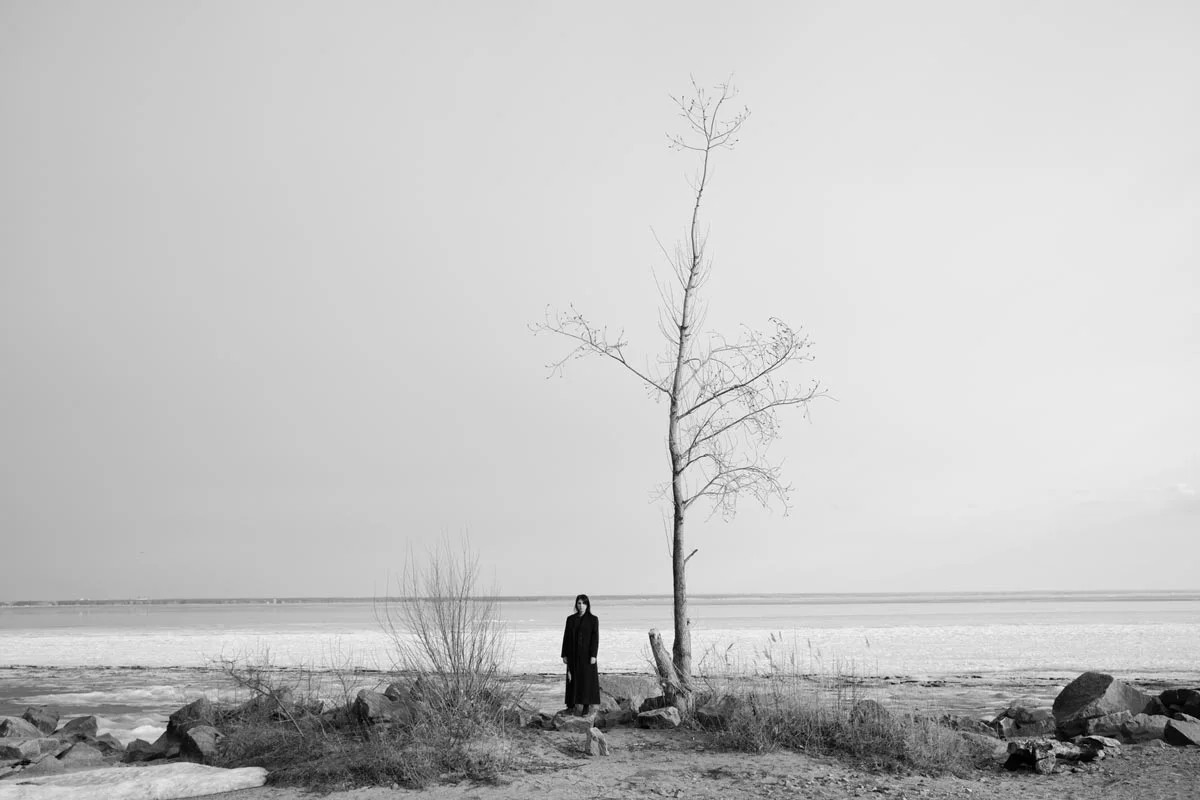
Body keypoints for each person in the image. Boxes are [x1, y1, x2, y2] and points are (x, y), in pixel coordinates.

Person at [561, 593, 600, 715]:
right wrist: (564, 654)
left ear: (587, 605)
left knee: (586, 680)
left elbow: (595, 638)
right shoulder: (570, 619)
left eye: (584, 603)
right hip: (572, 654)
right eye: (579, 603)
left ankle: (586, 706)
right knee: (571, 679)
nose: (581, 606)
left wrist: (593, 655)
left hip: (587, 655)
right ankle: (570, 705)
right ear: (576, 605)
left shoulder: (593, 619)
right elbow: (566, 637)